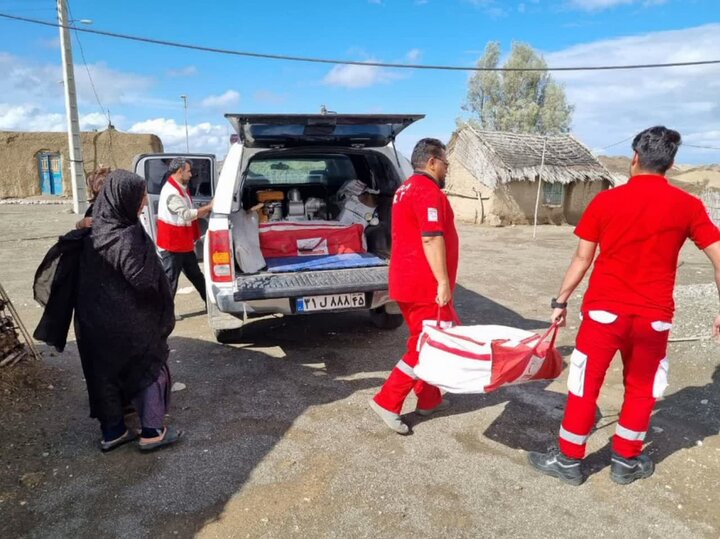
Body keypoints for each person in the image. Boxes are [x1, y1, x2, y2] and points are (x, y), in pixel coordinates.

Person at [528, 126, 720, 485]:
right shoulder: (689, 206)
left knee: (586, 386)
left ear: (635, 158)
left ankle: (569, 461)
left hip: (603, 314)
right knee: (642, 389)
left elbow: (582, 259)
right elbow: (718, 255)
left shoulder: (605, 201)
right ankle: (625, 463)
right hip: (654, 319)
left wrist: (561, 300)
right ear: (671, 164)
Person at [75, 170, 182, 452]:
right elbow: (143, 280)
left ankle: (113, 432)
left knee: (104, 374)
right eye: (141, 197)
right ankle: (152, 431)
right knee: (148, 367)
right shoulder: (127, 235)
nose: (145, 203)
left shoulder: (90, 229)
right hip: (130, 320)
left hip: (93, 320)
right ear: (123, 198)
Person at [369, 138, 460, 434]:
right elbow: (431, 237)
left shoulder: (404, 189)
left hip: (408, 280)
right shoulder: (427, 191)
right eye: (445, 163)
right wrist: (443, 281)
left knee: (428, 340)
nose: (447, 169)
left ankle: (429, 399)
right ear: (432, 161)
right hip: (425, 285)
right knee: (427, 345)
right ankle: (387, 401)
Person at [157, 157, 213, 317]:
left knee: (196, 276)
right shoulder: (171, 193)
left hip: (182, 244)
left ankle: (211, 304)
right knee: (170, 281)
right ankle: (164, 314)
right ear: (180, 171)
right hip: (172, 246)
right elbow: (187, 214)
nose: (191, 174)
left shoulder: (180, 188)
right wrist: (209, 207)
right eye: (188, 171)